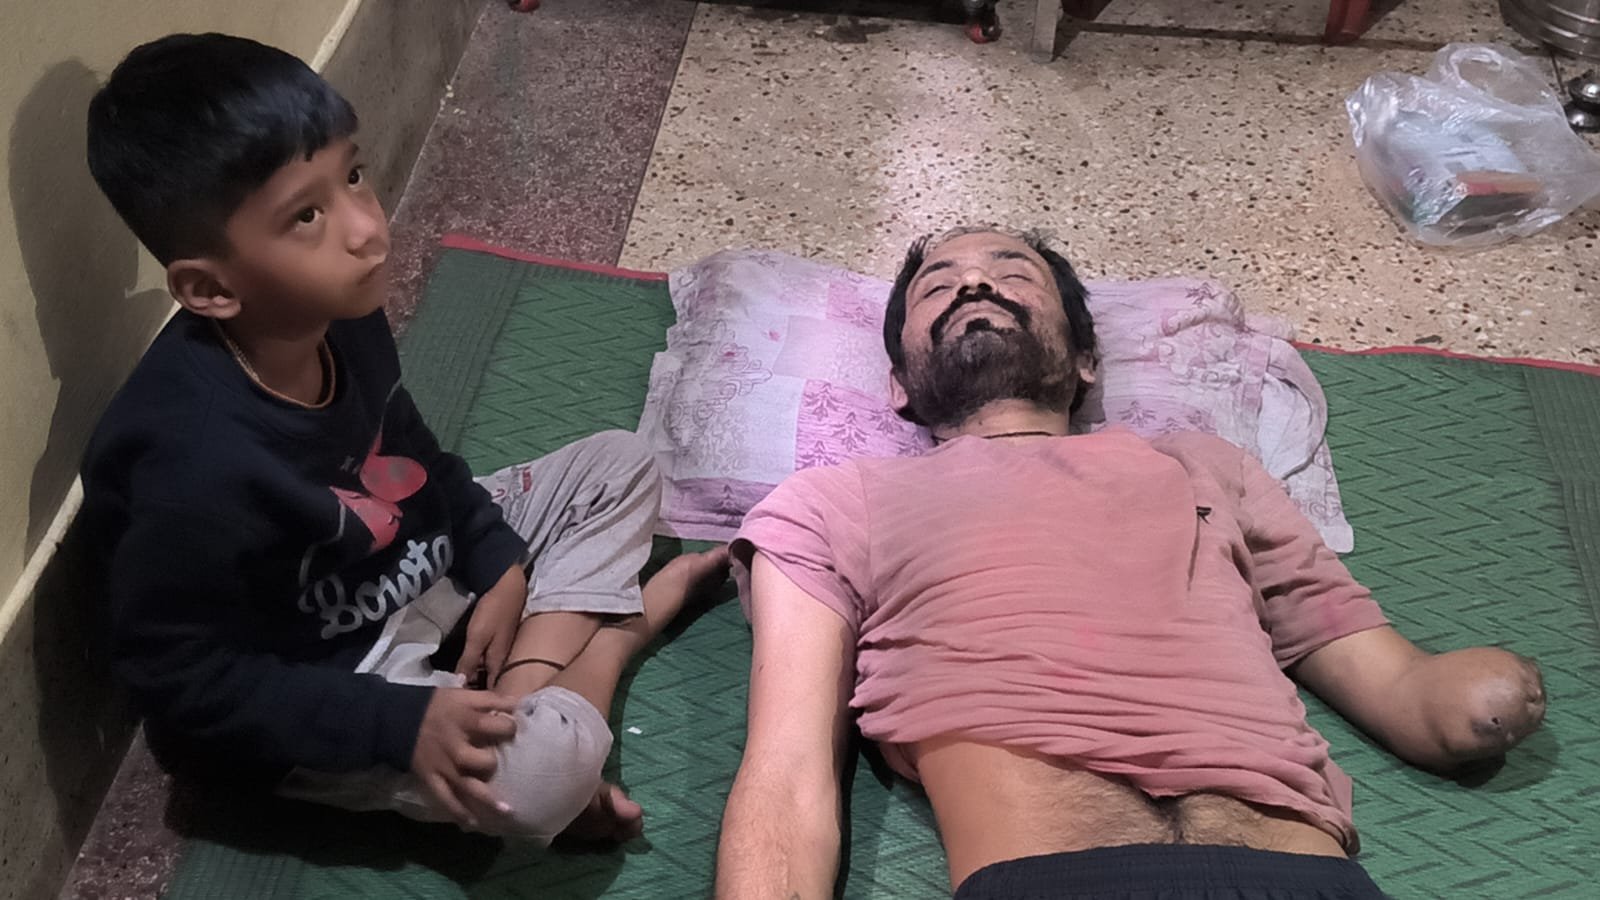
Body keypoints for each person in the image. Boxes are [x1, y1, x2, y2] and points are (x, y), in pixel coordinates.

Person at [715, 225, 1547, 899]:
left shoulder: (1204, 465)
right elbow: (787, 775)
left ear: (1085, 361)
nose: (974, 285)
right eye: (939, 286)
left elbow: (1392, 681)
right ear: (899, 382)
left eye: (1012, 273)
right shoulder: (827, 503)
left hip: (1309, 883)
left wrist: (1471, 701)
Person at [80, 32, 725, 844]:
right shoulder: (190, 461)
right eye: (307, 216)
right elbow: (181, 683)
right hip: (330, 675)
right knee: (542, 777)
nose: (366, 228)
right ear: (210, 288)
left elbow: (409, 448)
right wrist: (398, 725)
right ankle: (614, 644)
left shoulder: (336, 311)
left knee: (621, 463)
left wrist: (496, 560)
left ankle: (525, 689)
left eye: (352, 175)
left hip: (413, 563)